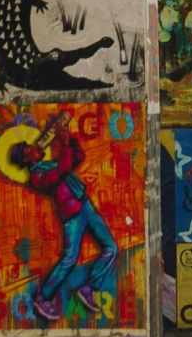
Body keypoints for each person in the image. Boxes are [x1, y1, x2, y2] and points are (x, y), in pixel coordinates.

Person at [8, 113, 118, 322]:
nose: (35, 147)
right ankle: (43, 296)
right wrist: (65, 143)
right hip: (73, 215)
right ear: (26, 158)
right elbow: (63, 170)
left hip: (85, 204)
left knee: (111, 248)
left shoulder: (49, 164)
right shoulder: (36, 176)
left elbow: (78, 158)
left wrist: (68, 139)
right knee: (69, 259)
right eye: (30, 149)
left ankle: (89, 288)